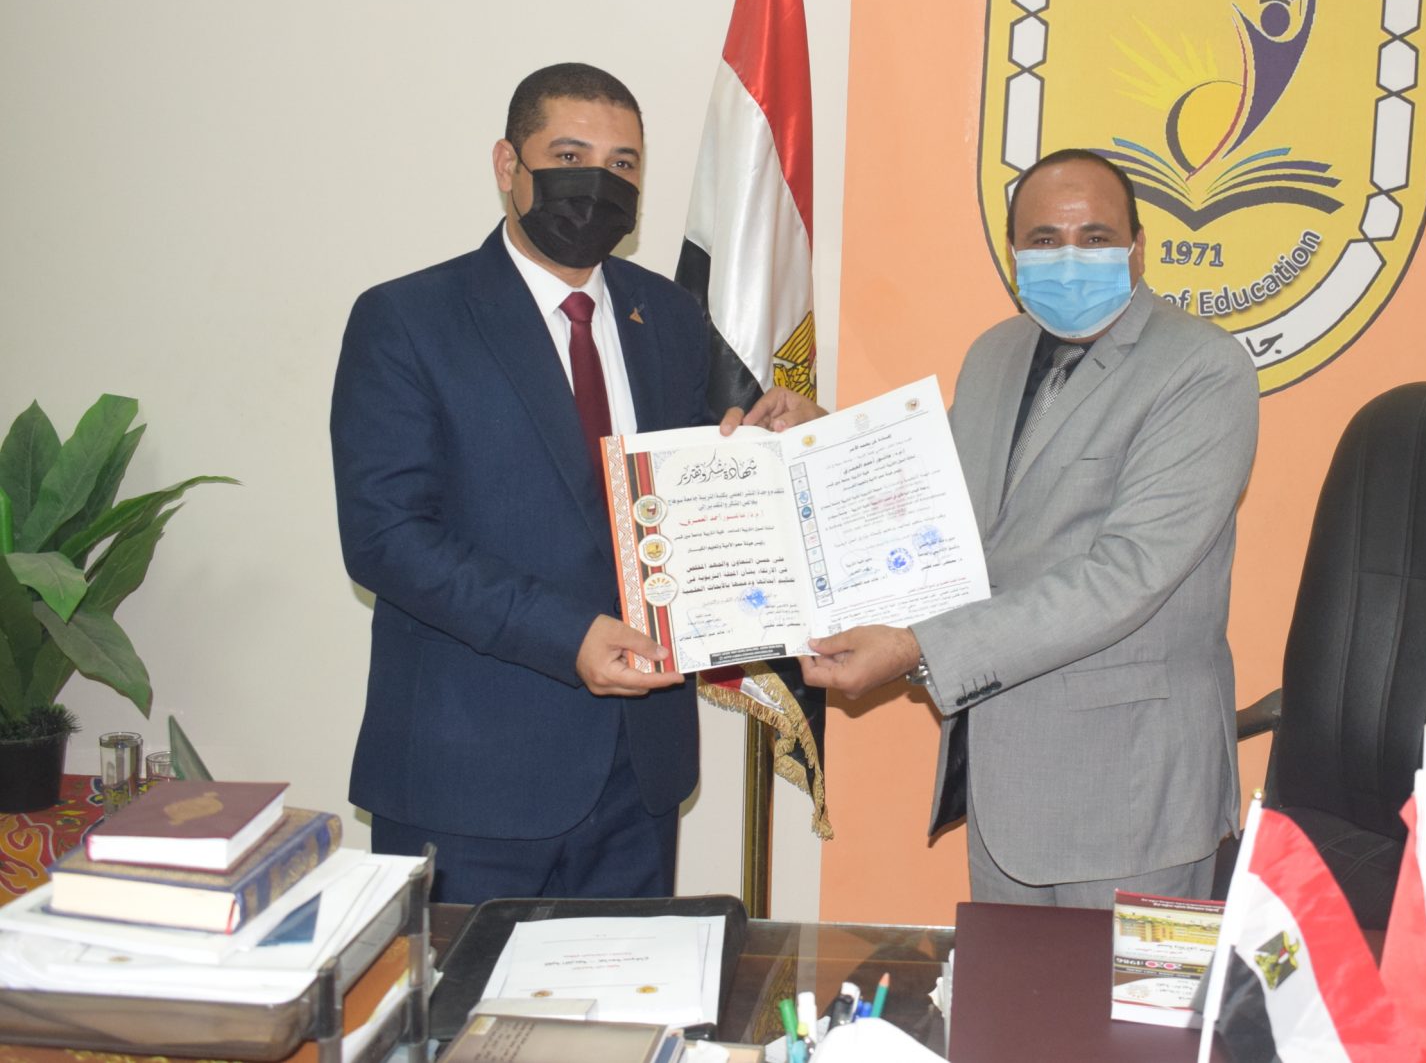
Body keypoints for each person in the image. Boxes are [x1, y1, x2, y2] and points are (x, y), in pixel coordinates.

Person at [330, 62, 809, 902]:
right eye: (569, 155)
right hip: (468, 778)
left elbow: (691, 493)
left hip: (639, 778)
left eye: (623, 164)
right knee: (461, 995)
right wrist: (567, 635)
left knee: (630, 992)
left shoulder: (668, 315)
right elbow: (387, 538)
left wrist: (781, 448)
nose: (598, 182)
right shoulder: (407, 319)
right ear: (507, 164)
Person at [797, 148, 1259, 905]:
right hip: (1004, 780)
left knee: (1122, 993)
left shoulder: (1201, 370)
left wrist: (919, 646)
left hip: (1131, 797)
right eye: (1045, 239)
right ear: (1014, 255)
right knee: (1012, 985)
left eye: (1095, 237)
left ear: (1138, 248)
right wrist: (813, 446)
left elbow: (1126, 577)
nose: (1069, 258)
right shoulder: (996, 353)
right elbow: (935, 500)